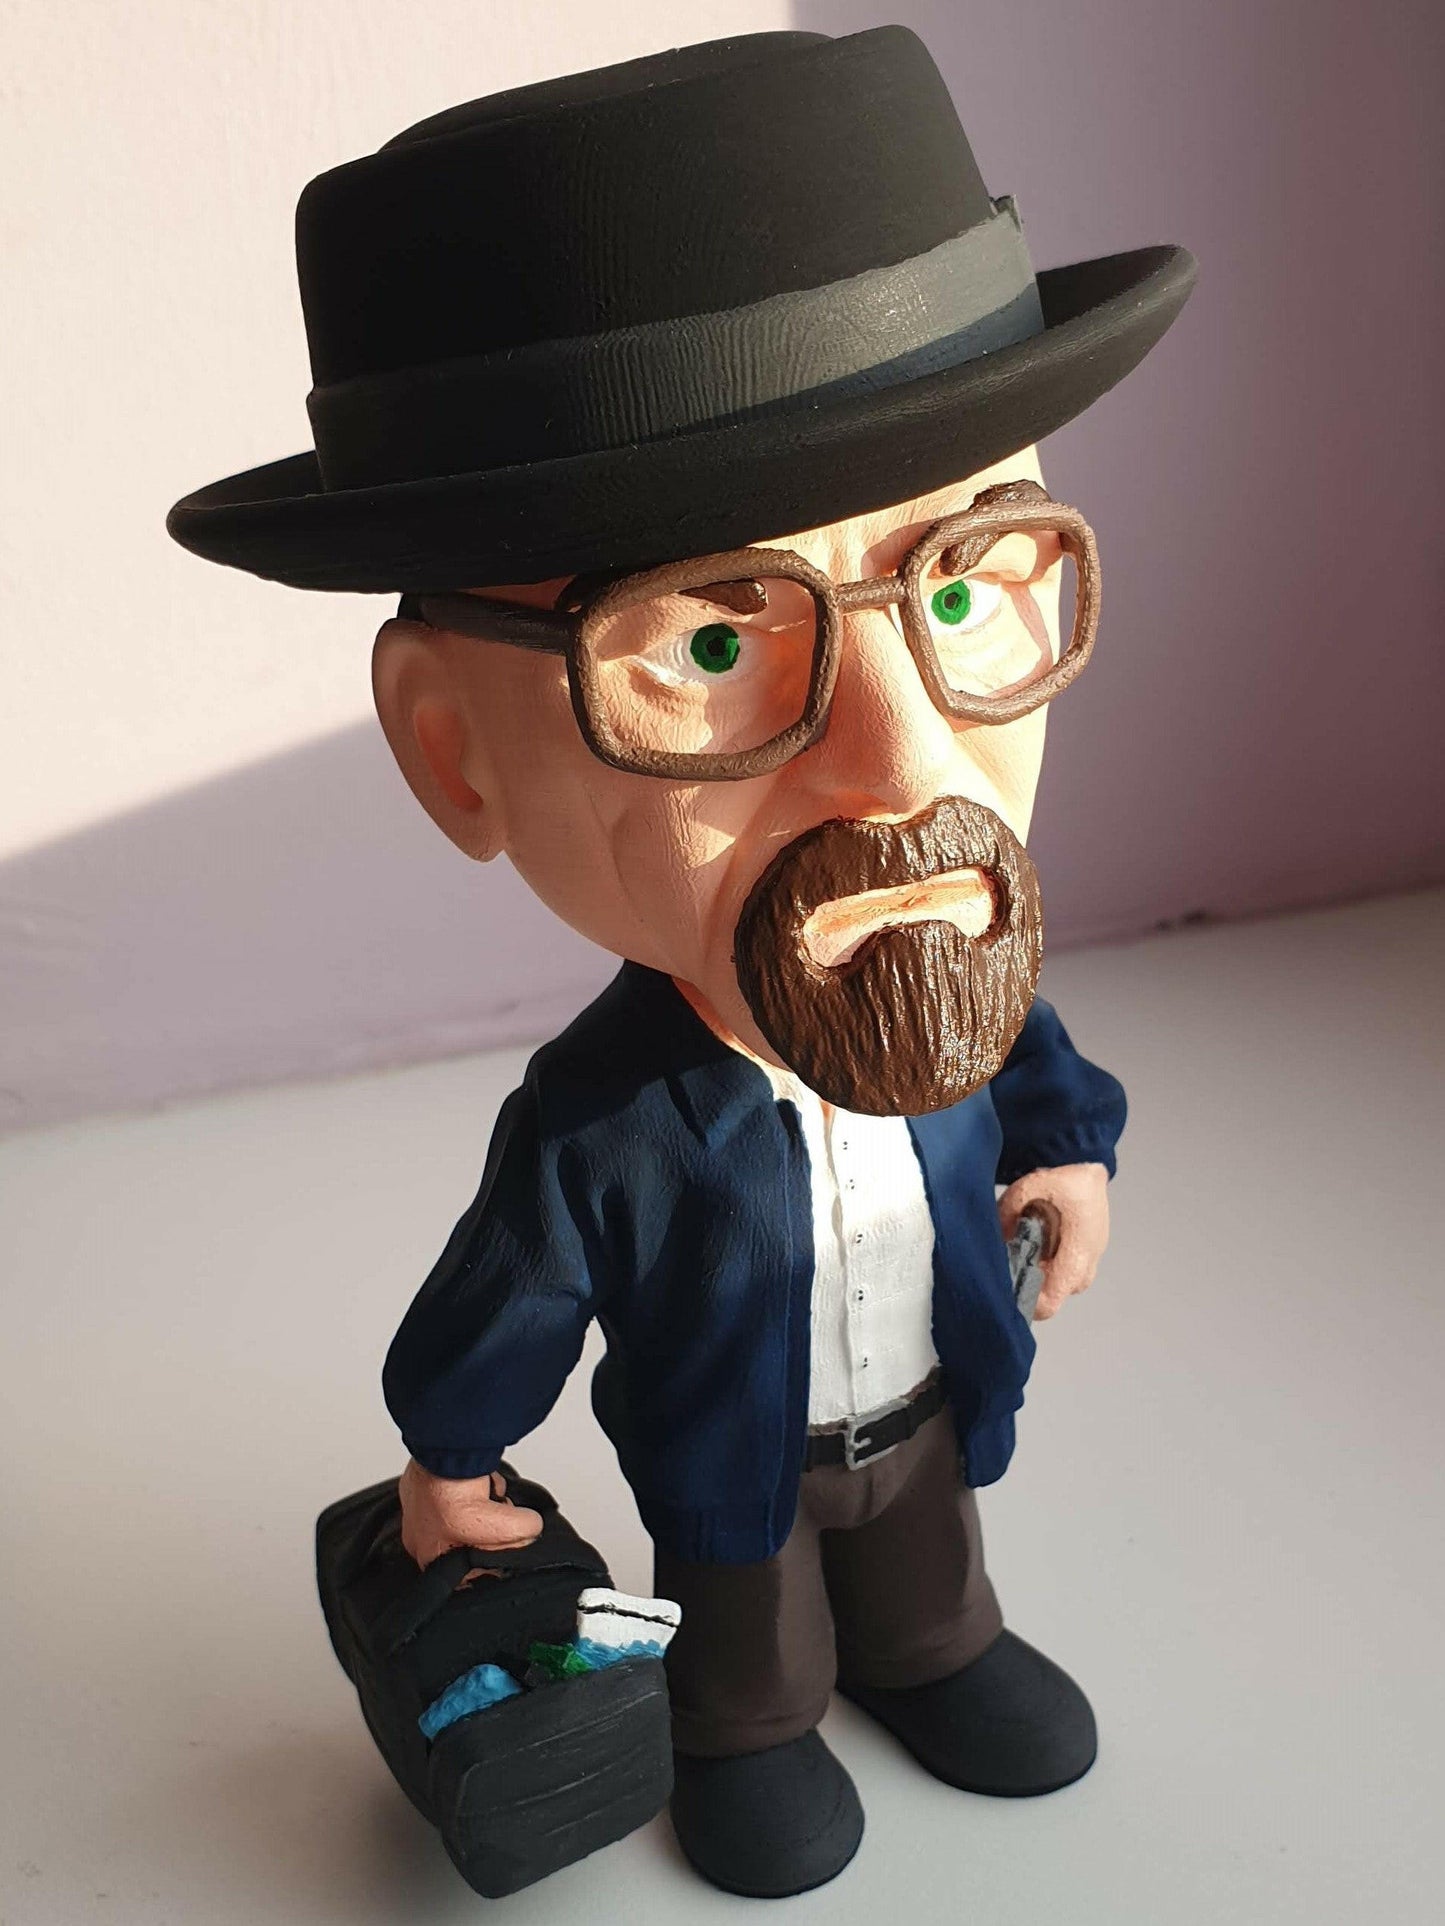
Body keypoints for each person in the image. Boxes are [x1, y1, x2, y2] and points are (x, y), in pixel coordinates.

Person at [168, 25, 1195, 1898]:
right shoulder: (607, 1121)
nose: (904, 764)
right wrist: (450, 1451)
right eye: (715, 647)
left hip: (927, 1396)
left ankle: (932, 1647)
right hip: (734, 1458)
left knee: (926, 1562)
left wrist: (1071, 1151)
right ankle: (750, 1726)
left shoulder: (936, 971)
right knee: (749, 1617)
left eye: (964, 584)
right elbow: (513, 1286)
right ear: (456, 749)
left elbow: (1027, 1059)